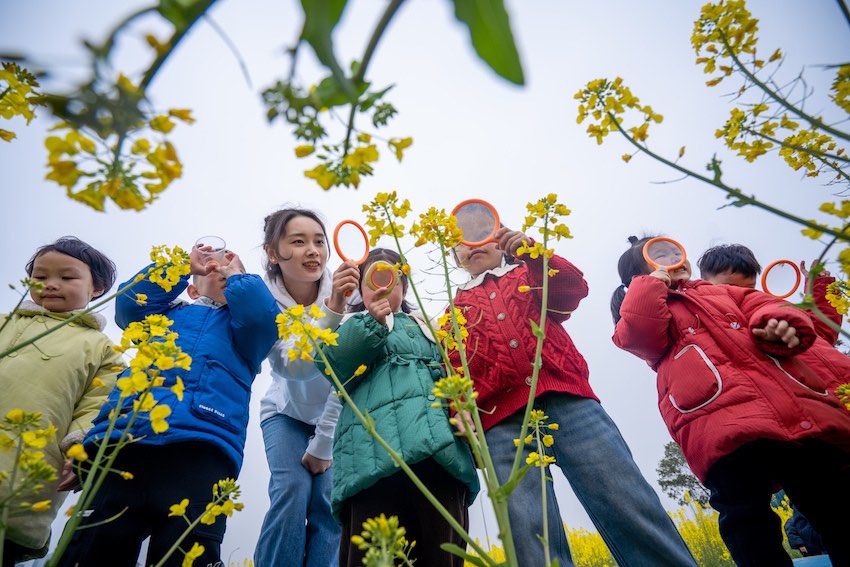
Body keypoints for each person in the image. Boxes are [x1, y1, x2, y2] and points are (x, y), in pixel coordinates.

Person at [449, 227, 698, 567]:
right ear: (454, 259)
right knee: (529, 530)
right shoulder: (453, 309)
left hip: (570, 401)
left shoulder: (526, 272)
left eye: (482, 236)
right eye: (460, 243)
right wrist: (459, 410)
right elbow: (454, 370)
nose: (471, 245)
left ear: (501, 243)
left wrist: (530, 251)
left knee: (626, 500)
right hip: (501, 425)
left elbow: (572, 288)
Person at [611, 235, 850, 567]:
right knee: (745, 518)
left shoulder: (720, 291)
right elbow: (638, 335)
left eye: (675, 253)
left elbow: (762, 304)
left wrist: (777, 324)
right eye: (658, 256)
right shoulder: (649, 307)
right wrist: (649, 287)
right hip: (719, 427)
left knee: (832, 499)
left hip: (784, 416)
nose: (672, 260)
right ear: (640, 277)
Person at [57, 243, 279, 567]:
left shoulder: (244, 332)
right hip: (127, 440)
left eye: (231, 264)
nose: (220, 267)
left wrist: (239, 280)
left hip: (201, 447)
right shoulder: (164, 315)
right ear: (190, 286)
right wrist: (179, 265)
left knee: (188, 549)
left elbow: (262, 320)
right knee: (94, 542)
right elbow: (128, 306)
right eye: (211, 265)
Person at [315, 248, 479, 567]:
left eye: (392, 278)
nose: (382, 286)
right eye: (372, 279)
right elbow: (330, 365)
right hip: (369, 465)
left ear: (404, 285)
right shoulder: (349, 324)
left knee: (439, 552)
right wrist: (371, 324)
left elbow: (460, 374)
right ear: (359, 289)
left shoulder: (433, 328)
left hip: (439, 457)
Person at [0, 237, 123, 567]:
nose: (51, 285)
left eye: (68, 278)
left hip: (25, 473)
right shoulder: (4, 321)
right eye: (40, 278)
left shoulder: (102, 349)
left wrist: (81, 450)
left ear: (97, 288)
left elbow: (97, 407)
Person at [254, 208, 359, 567]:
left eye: (319, 241)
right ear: (272, 252)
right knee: (291, 492)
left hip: (336, 416)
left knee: (329, 506)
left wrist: (324, 441)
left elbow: (345, 378)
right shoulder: (263, 301)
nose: (313, 250)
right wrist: (332, 309)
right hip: (285, 413)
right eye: (298, 242)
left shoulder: (350, 295)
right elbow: (293, 368)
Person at [698, 243, 847, 395]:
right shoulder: (709, 323)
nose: (740, 293)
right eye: (728, 286)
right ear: (703, 283)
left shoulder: (769, 308)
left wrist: (820, 287)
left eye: (749, 287)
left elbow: (821, 332)